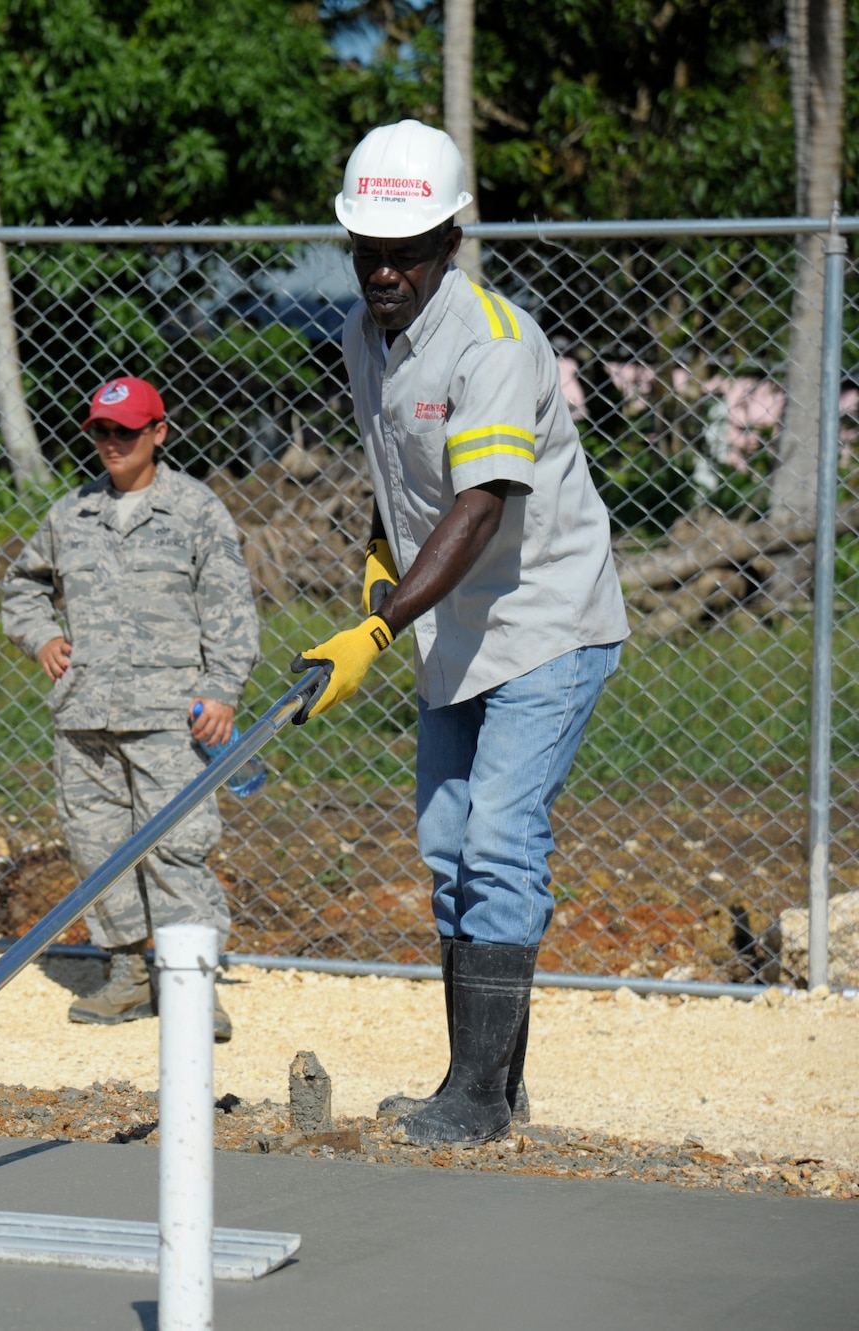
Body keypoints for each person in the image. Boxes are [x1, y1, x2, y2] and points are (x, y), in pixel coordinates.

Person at [296, 120, 628, 1146]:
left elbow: (479, 501)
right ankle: (479, 1080)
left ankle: (477, 1103)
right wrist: (374, 570)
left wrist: (377, 627)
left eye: (406, 248)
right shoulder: (363, 336)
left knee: (496, 836)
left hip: (543, 619)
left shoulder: (492, 340)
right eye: (368, 249)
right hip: (448, 623)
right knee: (447, 848)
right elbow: (399, 481)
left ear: (448, 237)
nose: (384, 268)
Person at [2, 376, 260, 1040]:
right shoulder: (71, 514)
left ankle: (193, 982)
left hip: (170, 719)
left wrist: (225, 689)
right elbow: (23, 587)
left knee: (177, 848)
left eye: (127, 431)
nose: (112, 443)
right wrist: (43, 637)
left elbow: (230, 609)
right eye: (101, 431)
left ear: (158, 433)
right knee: (98, 848)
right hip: (85, 718)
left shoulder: (195, 511)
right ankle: (127, 971)